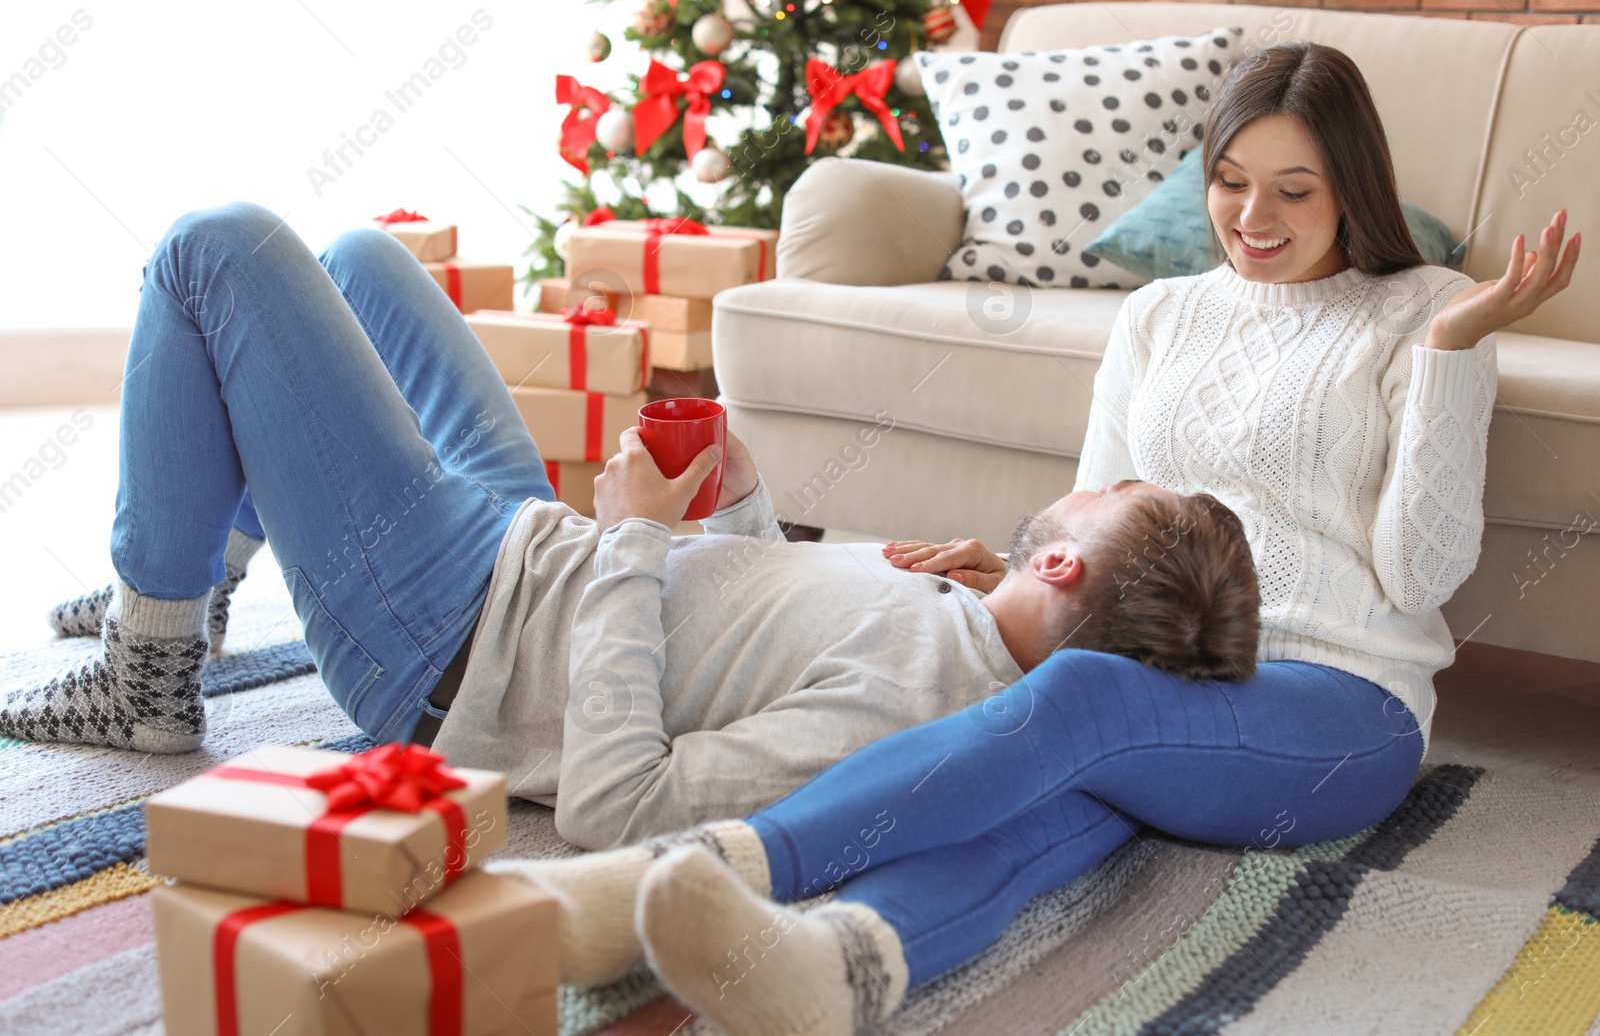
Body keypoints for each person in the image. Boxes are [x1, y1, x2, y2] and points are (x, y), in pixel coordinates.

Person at [485, 39, 1583, 1036]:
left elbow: (1424, 571)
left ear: (1352, 187)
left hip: (1337, 702)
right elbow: (1099, 500)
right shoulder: (1161, 316)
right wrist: (1017, 573)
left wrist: (1450, 350)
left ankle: (665, 880)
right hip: (1159, 658)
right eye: (1230, 183)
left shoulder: (1428, 311)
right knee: (1047, 783)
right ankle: (836, 965)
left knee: (1078, 709)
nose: (1254, 217)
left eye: (1294, 190)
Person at [0, 195, 1259, 856]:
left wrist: (636, 538)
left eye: (1112, 491)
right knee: (361, 258)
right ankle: (193, 574)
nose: (1090, 481)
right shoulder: (968, 613)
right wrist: (740, 492)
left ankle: (149, 668)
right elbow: (756, 618)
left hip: (446, 640)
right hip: (525, 548)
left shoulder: (911, 701)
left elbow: (618, 799)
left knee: (212, 249)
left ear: (1062, 557)